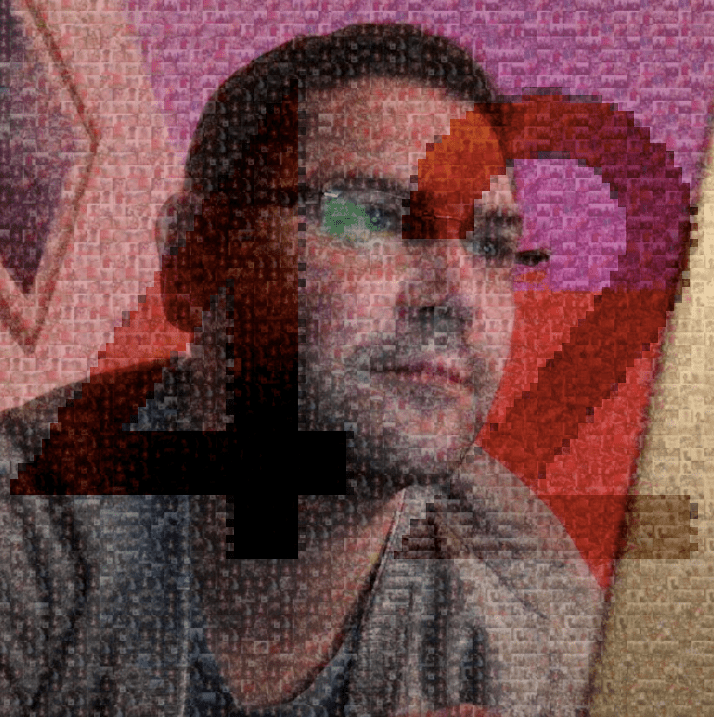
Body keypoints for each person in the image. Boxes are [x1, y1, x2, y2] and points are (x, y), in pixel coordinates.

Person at [0, 23, 606, 717]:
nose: (458, 295)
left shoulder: (540, 631)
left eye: (492, 246)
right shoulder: (27, 518)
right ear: (194, 256)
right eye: (373, 217)